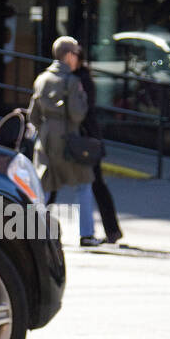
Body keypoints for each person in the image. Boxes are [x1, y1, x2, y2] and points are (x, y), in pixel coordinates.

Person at [29, 36, 101, 246]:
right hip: (68, 139)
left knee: (44, 187)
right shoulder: (72, 81)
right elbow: (77, 114)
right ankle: (86, 234)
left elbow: (33, 116)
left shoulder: (42, 79)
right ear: (69, 55)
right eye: (76, 53)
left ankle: (32, 231)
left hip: (45, 139)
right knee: (84, 183)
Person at [74, 57, 123, 244]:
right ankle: (112, 230)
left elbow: (83, 110)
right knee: (95, 184)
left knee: (94, 183)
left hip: (85, 140)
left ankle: (111, 230)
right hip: (85, 138)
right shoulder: (78, 77)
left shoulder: (80, 79)